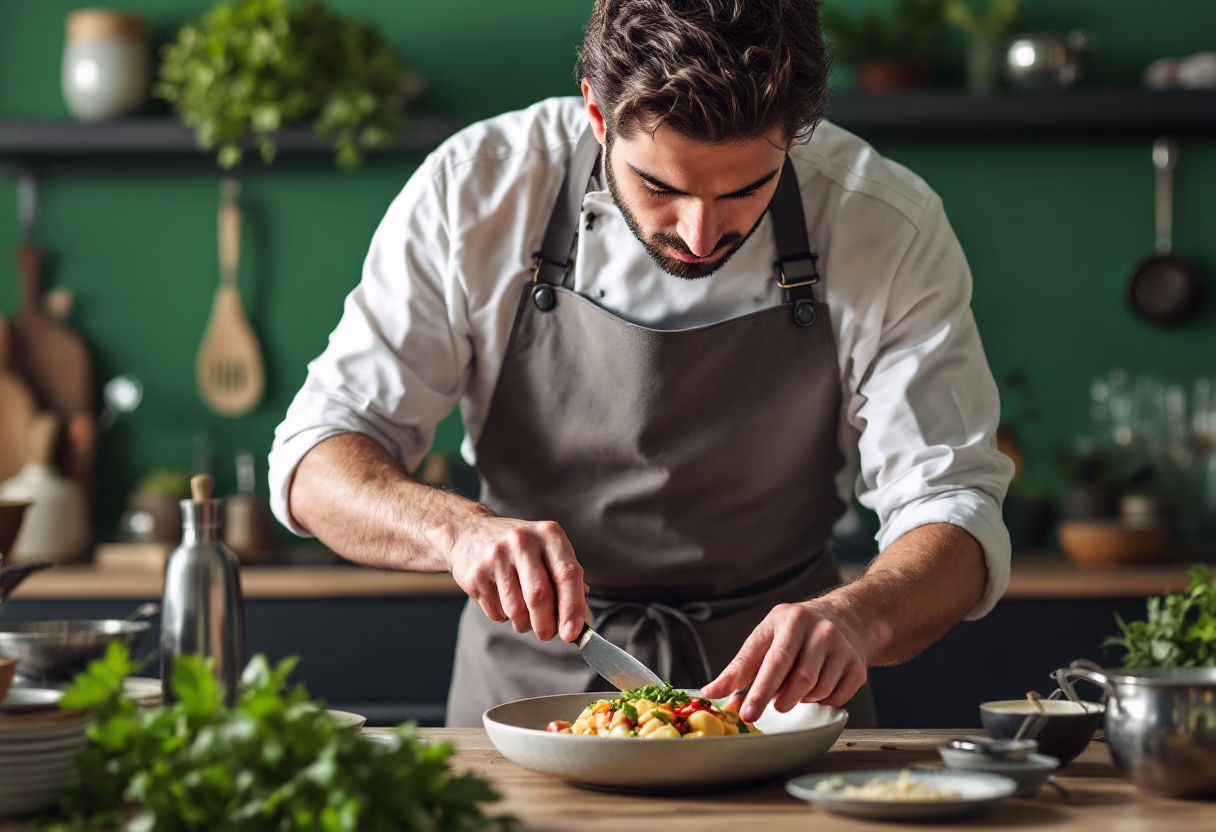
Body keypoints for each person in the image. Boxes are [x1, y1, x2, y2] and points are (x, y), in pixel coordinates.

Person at [270, 0, 1014, 728]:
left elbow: (952, 505)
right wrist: (456, 531)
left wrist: (858, 619)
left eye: (747, 189)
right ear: (597, 114)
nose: (699, 234)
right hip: (529, 699)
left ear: (797, 134)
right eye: (660, 186)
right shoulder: (477, 190)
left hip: (780, 710)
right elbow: (316, 458)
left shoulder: (883, 223)